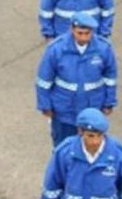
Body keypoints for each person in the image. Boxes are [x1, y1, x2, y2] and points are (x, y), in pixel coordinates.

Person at [36, 12, 117, 146]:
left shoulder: (103, 49)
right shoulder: (57, 49)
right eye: (80, 33)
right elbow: (43, 80)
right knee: (63, 146)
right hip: (64, 110)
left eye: (87, 33)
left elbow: (110, 78)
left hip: (92, 108)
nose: (84, 37)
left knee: (90, 146)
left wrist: (109, 102)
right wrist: (45, 106)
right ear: (72, 29)